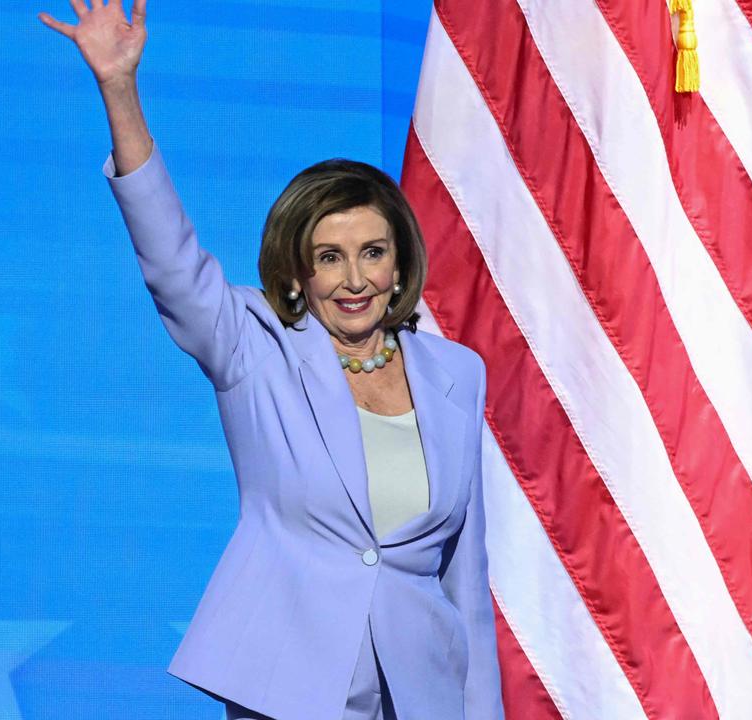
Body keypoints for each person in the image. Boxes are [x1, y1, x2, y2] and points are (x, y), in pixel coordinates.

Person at [38, 2, 505, 718]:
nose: (355, 279)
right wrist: (120, 90)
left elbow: (464, 581)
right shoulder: (254, 347)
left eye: (373, 253)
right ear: (296, 273)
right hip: (288, 687)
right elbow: (171, 261)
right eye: (330, 258)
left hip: (420, 695)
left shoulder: (456, 373)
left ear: (399, 261)